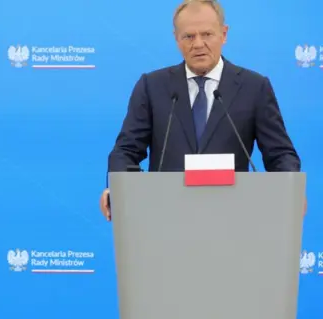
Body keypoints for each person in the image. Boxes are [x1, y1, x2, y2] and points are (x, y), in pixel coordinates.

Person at [99, 0, 303, 220]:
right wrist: (118, 191)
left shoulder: (254, 87)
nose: (198, 44)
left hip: (233, 220)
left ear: (224, 34)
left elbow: (280, 154)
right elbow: (126, 150)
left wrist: (290, 191)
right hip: (165, 218)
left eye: (207, 34)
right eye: (188, 36)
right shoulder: (152, 86)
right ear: (176, 39)